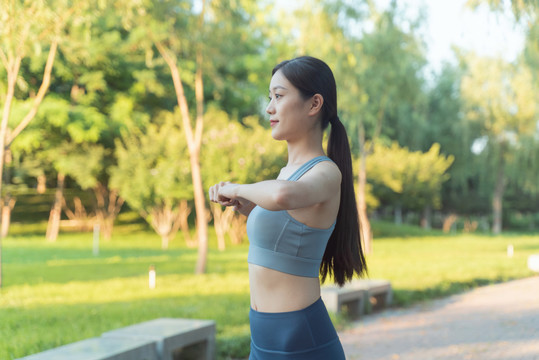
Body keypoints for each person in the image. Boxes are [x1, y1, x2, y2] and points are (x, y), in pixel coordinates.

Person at [209, 56, 367, 360]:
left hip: (301, 342)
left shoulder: (325, 172)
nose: (269, 107)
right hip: (264, 339)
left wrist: (237, 188)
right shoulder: (286, 173)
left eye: (278, 96)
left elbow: (282, 196)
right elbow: (288, 230)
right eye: (270, 97)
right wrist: (247, 207)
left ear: (314, 104)